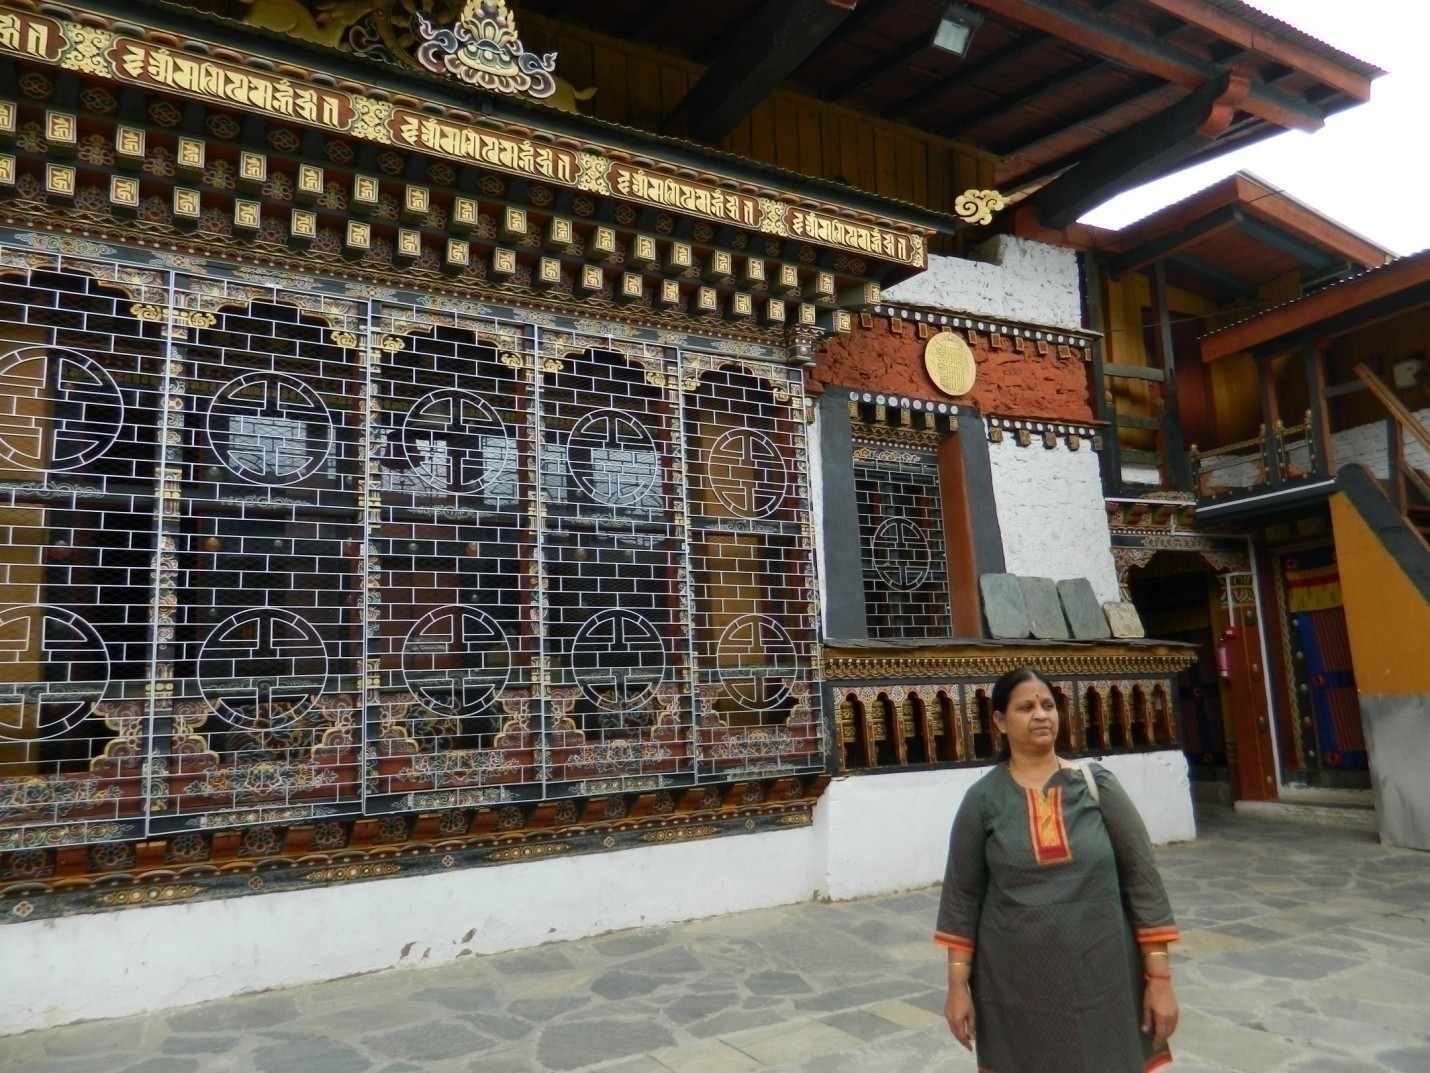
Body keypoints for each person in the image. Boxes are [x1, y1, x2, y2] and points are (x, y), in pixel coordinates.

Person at [935, 666, 1180, 1072]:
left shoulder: (1095, 785)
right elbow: (962, 898)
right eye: (1025, 707)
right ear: (1000, 721)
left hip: (1105, 978)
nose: (1041, 715)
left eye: (1048, 705)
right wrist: (957, 987)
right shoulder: (983, 801)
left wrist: (1161, 981)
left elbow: (1142, 880)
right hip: (1015, 985)